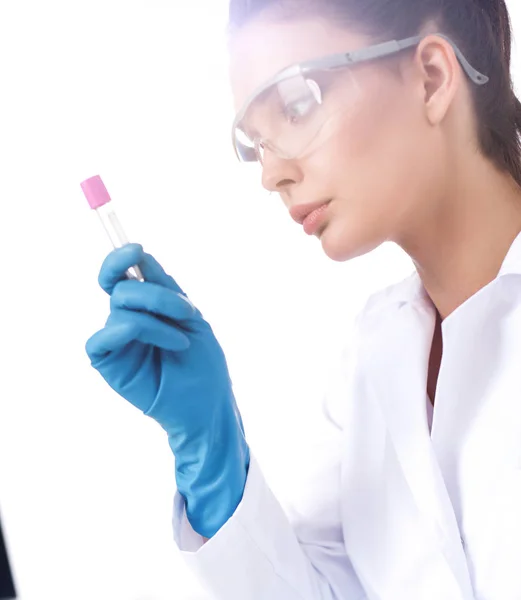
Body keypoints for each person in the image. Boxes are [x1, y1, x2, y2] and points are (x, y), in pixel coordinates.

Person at [85, 0, 521, 597]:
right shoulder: (370, 365)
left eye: (296, 105)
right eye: (255, 141)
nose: (271, 174)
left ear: (432, 77)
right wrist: (213, 454)